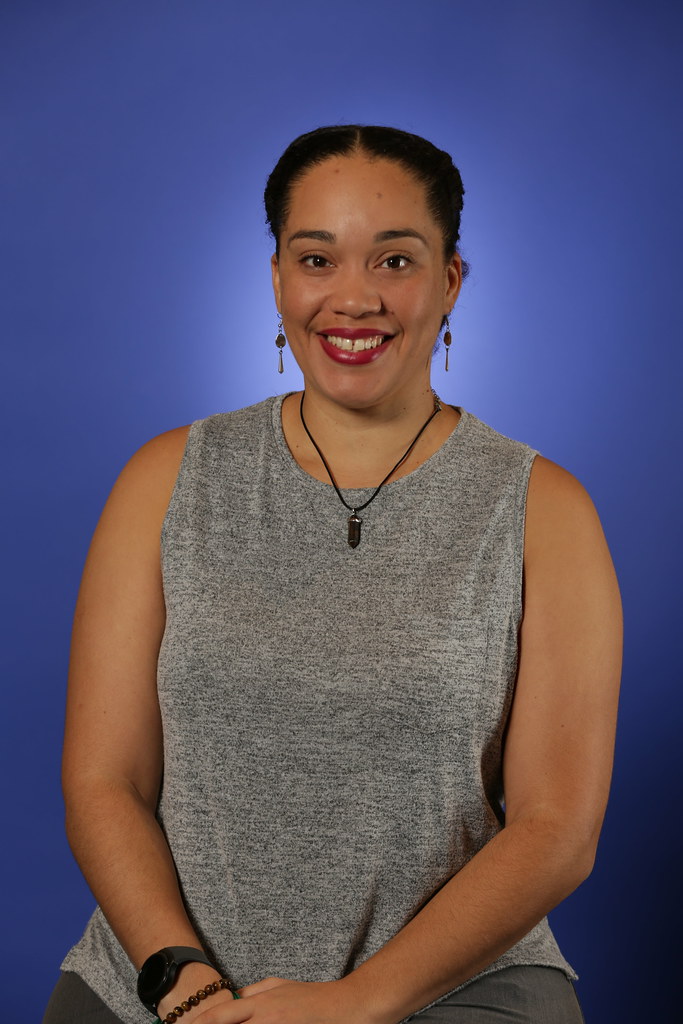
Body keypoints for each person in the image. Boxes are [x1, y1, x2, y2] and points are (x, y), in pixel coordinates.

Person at [44, 125, 622, 1024]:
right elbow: (104, 783)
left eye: (395, 261)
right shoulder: (165, 479)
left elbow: (556, 832)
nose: (353, 299)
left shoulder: (544, 510)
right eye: (317, 259)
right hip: (159, 989)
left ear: (450, 283)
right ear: (277, 277)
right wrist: (185, 988)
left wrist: (358, 1002)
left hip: (453, 992)